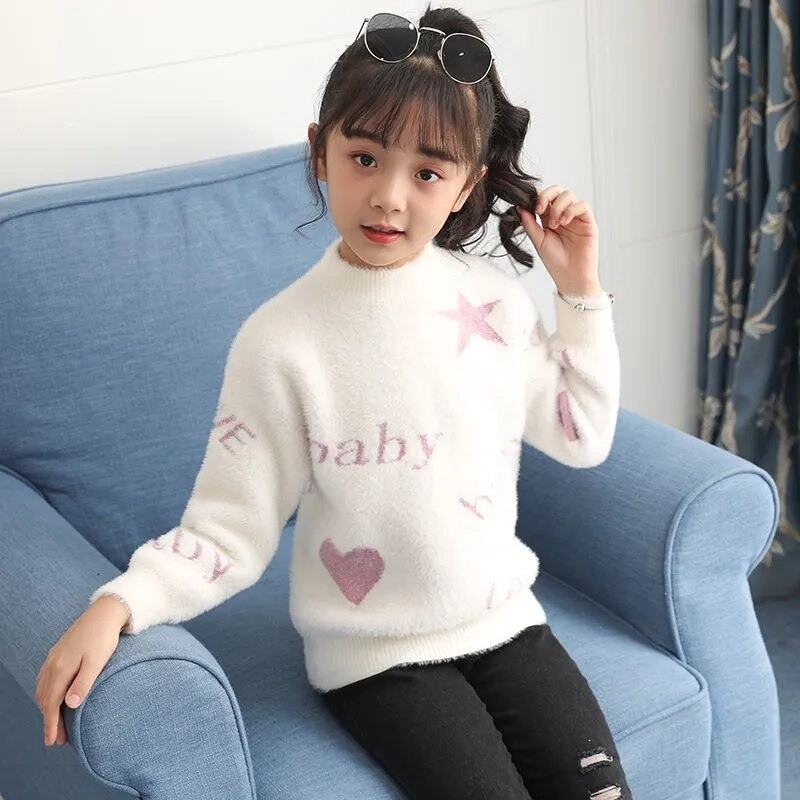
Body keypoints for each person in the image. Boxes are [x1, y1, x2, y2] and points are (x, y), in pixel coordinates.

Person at [35, 4, 632, 798]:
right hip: (374, 657)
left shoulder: (492, 303)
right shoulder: (280, 341)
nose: (388, 197)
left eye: (427, 172)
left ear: (468, 185)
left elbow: (581, 436)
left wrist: (579, 291)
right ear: (321, 152)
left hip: (506, 622)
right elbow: (230, 528)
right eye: (364, 157)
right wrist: (119, 604)